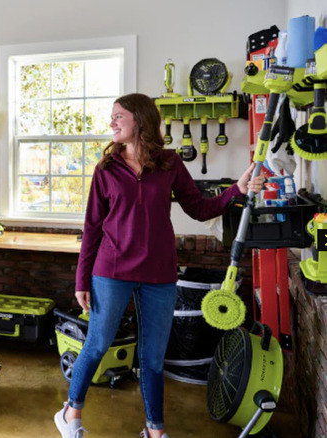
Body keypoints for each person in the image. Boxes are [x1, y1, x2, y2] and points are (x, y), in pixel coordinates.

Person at [53, 93, 264, 438]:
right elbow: (92, 227)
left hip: (159, 274)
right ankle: (70, 413)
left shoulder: (168, 163)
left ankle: (154, 430)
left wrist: (236, 190)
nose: (112, 123)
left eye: (118, 116)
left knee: (153, 357)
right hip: (111, 271)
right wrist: (81, 279)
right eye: (112, 117)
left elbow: (198, 207)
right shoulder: (106, 169)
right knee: (97, 343)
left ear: (139, 119)